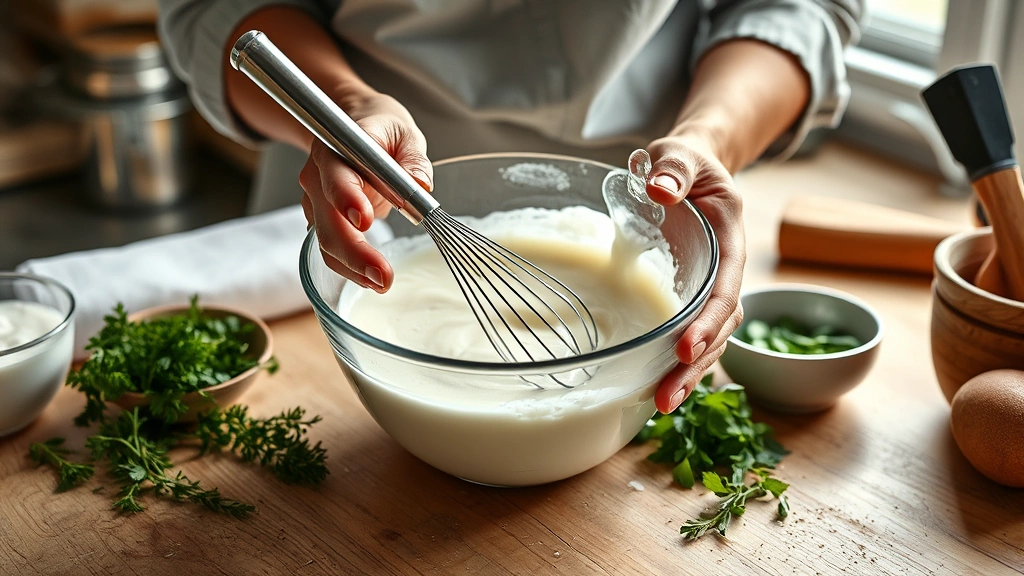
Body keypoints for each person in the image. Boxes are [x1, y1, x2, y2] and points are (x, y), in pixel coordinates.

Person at [158, 0, 863, 413]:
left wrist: (710, 139)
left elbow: (797, 9)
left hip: (648, 187)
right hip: (362, 179)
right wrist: (341, 112)